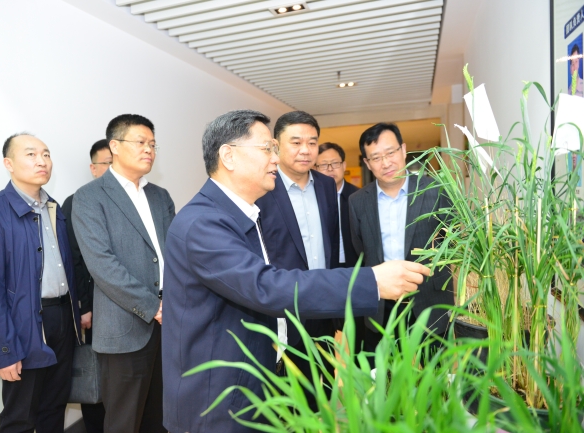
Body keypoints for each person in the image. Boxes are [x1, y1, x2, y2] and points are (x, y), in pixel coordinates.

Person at [162, 109, 430, 433]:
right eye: (267, 149)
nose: (276, 159)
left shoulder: (242, 214)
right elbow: (265, 286)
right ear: (228, 156)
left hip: (249, 384)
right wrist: (371, 281)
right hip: (217, 401)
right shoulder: (203, 223)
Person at [0, 133, 82, 433]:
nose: (42, 161)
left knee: (54, 408)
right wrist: (3, 350)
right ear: (9, 164)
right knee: (20, 417)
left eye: (46, 154)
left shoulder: (54, 208)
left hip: (61, 320)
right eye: (31, 154)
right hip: (24, 326)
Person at [72, 115, 174, 433]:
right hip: (124, 328)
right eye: (140, 142)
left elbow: (174, 255)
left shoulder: (160, 196)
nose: (149, 150)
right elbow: (102, 265)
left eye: (153, 144)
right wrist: (153, 306)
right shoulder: (90, 197)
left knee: (161, 417)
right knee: (124, 422)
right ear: (114, 146)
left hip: (168, 324)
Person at [349, 123, 453, 366]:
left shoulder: (436, 191)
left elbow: (452, 244)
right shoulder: (357, 202)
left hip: (431, 303)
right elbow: (359, 250)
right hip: (382, 307)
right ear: (367, 163)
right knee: (386, 378)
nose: (385, 163)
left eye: (390, 153)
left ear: (403, 150)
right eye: (376, 158)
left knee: (435, 376)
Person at [254, 111, 338, 406]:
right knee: (285, 400)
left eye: (312, 143)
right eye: (296, 142)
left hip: (323, 307)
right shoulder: (262, 187)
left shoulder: (326, 185)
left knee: (323, 393)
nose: (306, 150)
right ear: (276, 145)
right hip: (282, 313)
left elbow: (331, 242)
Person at [61, 139, 111, 433]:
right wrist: (85, 306)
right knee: (96, 373)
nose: (113, 168)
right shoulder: (77, 202)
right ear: (93, 169)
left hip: (128, 307)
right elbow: (74, 259)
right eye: (107, 163)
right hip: (95, 305)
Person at [315, 141, 360, 268]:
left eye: (335, 163)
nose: (330, 169)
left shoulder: (359, 197)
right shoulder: (312, 199)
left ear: (344, 166)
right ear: (315, 169)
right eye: (324, 165)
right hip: (323, 268)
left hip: (356, 267)